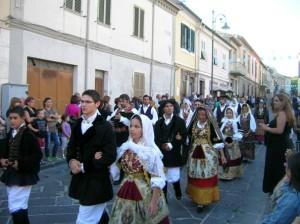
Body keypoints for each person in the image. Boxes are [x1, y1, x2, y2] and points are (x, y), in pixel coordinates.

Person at [67, 89, 116, 224]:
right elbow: (71, 147)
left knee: (84, 219)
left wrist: (83, 166)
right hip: (80, 178)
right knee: (98, 214)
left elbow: (110, 155)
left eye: (88, 102)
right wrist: (71, 161)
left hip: (96, 180)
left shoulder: (105, 126)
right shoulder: (77, 123)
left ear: (97, 104)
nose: (83, 105)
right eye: (82, 101)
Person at [110, 114, 169, 223]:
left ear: (144, 129)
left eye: (137, 127)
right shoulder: (125, 146)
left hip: (145, 193)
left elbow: (157, 177)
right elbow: (116, 167)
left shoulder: (150, 152)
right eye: (131, 126)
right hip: (126, 190)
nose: (132, 129)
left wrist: (154, 202)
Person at [0, 106, 42, 224]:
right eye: (10, 118)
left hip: (23, 174)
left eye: (15, 118)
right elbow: (6, 150)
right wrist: (2, 160)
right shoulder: (10, 133)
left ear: (23, 118)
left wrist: (21, 163)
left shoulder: (28, 135)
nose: (12, 120)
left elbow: (37, 155)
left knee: (15, 206)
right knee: (19, 206)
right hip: (12, 173)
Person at [186, 107, 225, 212]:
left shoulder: (210, 125)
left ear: (207, 115)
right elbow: (187, 137)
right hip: (194, 153)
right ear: (197, 115)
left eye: (204, 115)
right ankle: (196, 197)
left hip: (207, 154)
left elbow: (217, 141)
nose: (202, 117)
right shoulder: (194, 125)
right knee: (195, 174)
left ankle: (203, 200)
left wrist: (222, 155)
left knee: (206, 175)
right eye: (200, 115)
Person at [260, 94, 296, 194]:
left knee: (276, 168)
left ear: (282, 102)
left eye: (277, 101)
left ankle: (276, 191)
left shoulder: (282, 113)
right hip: (280, 145)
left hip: (278, 147)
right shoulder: (285, 113)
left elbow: (279, 130)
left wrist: (266, 127)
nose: (274, 102)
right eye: (274, 100)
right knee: (279, 168)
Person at [154, 100, 187, 202]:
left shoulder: (180, 121)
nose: (169, 108)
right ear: (163, 108)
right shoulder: (158, 122)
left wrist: (172, 144)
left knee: (174, 176)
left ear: (174, 108)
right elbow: (155, 138)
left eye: (171, 106)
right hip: (162, 153)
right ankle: (164, 197)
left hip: (174, 153)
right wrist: (162, 145)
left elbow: (183, 136)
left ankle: (177, 190)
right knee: (162, 176)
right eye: (166, 106)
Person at [261, 152, 300, 224]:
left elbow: (274, 221)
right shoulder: (293, 189)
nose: (285, 164)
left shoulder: (291, 200)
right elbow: (284, 188)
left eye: (287, 165)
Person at [219, 107, 243, 180]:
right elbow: (220, 131)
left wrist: (233, 141)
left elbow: (239, 133)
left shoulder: (236, 122)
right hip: (225, 140)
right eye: (227, 113)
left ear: (233, 113)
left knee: (232, 157)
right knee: (224, 156)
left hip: (233, 141)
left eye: (230, 113)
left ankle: (232, 173)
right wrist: (223, 140)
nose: (228, 114)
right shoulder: (223, 121)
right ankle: (222, 172)